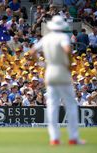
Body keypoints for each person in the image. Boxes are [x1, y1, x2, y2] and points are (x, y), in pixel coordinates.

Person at [30, 16, 85, 145]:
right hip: (61, 70)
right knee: (71, 104)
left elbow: (32, 51)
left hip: (50, 71)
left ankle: (54, 138)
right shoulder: (63, 37)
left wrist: (40, 63)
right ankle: (73, 137)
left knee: (52, 105)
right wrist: (69, 62)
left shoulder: (46, 38)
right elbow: (67, 49)